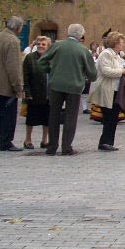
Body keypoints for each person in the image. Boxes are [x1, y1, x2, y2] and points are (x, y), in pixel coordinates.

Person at [39, 24, 96, 156]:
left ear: (68, 32)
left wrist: (51, 71)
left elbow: (42, 61)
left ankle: (52, 146)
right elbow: (93, 74)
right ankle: (66, 147)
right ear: (81, 35)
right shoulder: (83, 50)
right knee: (71, 117)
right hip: (74, 87)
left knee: (54, 115)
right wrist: (84, 76)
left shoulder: (57, 45)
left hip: (56, 85)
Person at [0, 17, 26, 152]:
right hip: (5, 84)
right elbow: (13, 67)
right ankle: (6, 141)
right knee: (8, 114)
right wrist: (18, 86)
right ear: (18, 28)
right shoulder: (13, 41)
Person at [92, 32, 125, 150]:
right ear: (115, 43)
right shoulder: (106, 54)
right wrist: (122, 72)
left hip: (115, 90)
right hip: (106, 89)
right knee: (108, 116)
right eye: (121, 42)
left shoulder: (117, 56)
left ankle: (109, 142)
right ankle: (104, 142)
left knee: (114, 117)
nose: (123, 44)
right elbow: (106, 71)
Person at [21, 35, 51, 149]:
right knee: (31, 118)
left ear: (48, 46)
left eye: (43, 44)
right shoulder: (30, 58)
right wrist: (27, 92)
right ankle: (27, 139)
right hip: (34, 92)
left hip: (47, 93)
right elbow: (25, 76)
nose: (40, 46)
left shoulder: (51, 58)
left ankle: (45, 140)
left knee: (46, 119)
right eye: (38, 44)